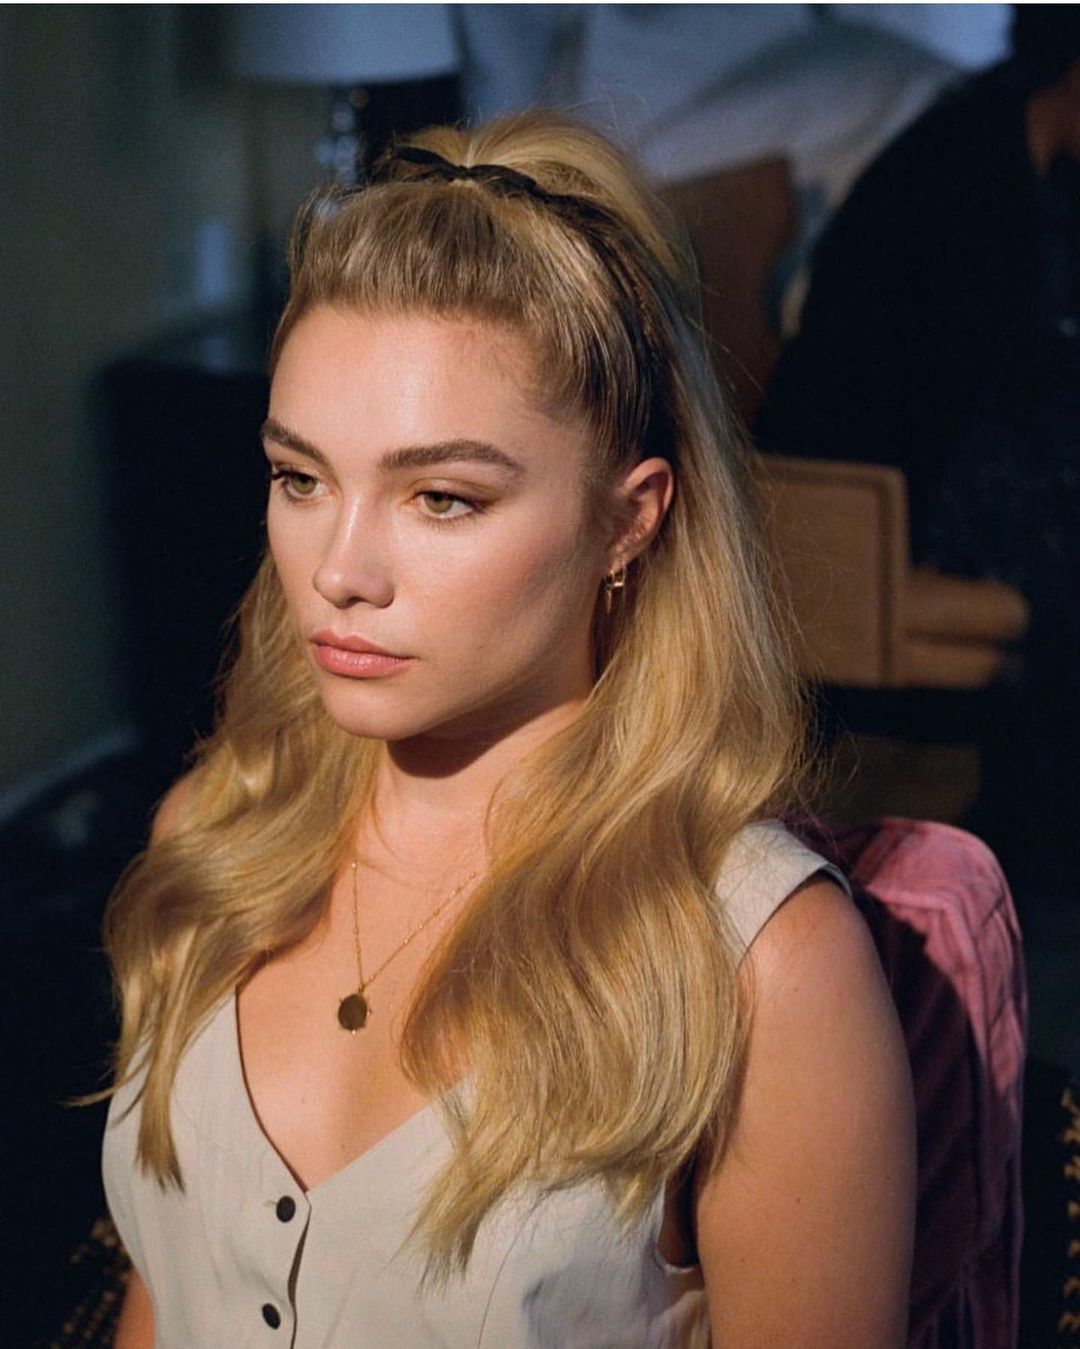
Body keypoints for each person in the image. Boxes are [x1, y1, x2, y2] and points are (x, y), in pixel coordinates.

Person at [100, 111, 915, 1347]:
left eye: (441, 496)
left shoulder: (759, 971)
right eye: (300, 477)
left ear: (629, 519)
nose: (340, 568)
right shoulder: (216, 842)